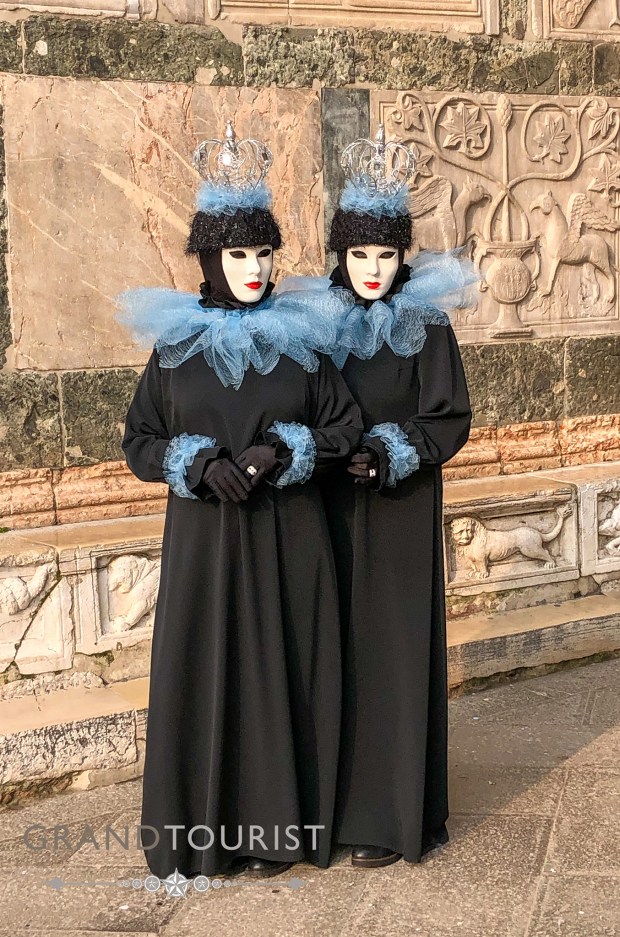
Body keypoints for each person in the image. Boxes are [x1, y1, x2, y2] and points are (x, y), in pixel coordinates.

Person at [117, 121, 363, 881]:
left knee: (280, 674)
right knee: (211, 674)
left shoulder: (303, 340)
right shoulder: (174, 349)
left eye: (263, 253)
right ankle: (210, 834)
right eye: (237, 254)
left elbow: (345, 423)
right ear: (210, 259)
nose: (254, 268)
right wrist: (193, 464)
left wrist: (283, 451)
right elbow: (139, 440)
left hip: (290, 541)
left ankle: (278, 833)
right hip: (206, 550)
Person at [282, 125, 477, 868]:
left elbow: (447, 415)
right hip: (326, 508)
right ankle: (324, 810)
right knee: (330, 652)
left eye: (385, 254)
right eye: (358, 254)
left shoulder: (427, 324)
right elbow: (295, 401)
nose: (371, 269)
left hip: (398, 509)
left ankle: (392, 814)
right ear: (340, 253)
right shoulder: (312, 319)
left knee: (392, 655)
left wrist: (393, 453)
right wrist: (318, 451)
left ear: (404, 255)